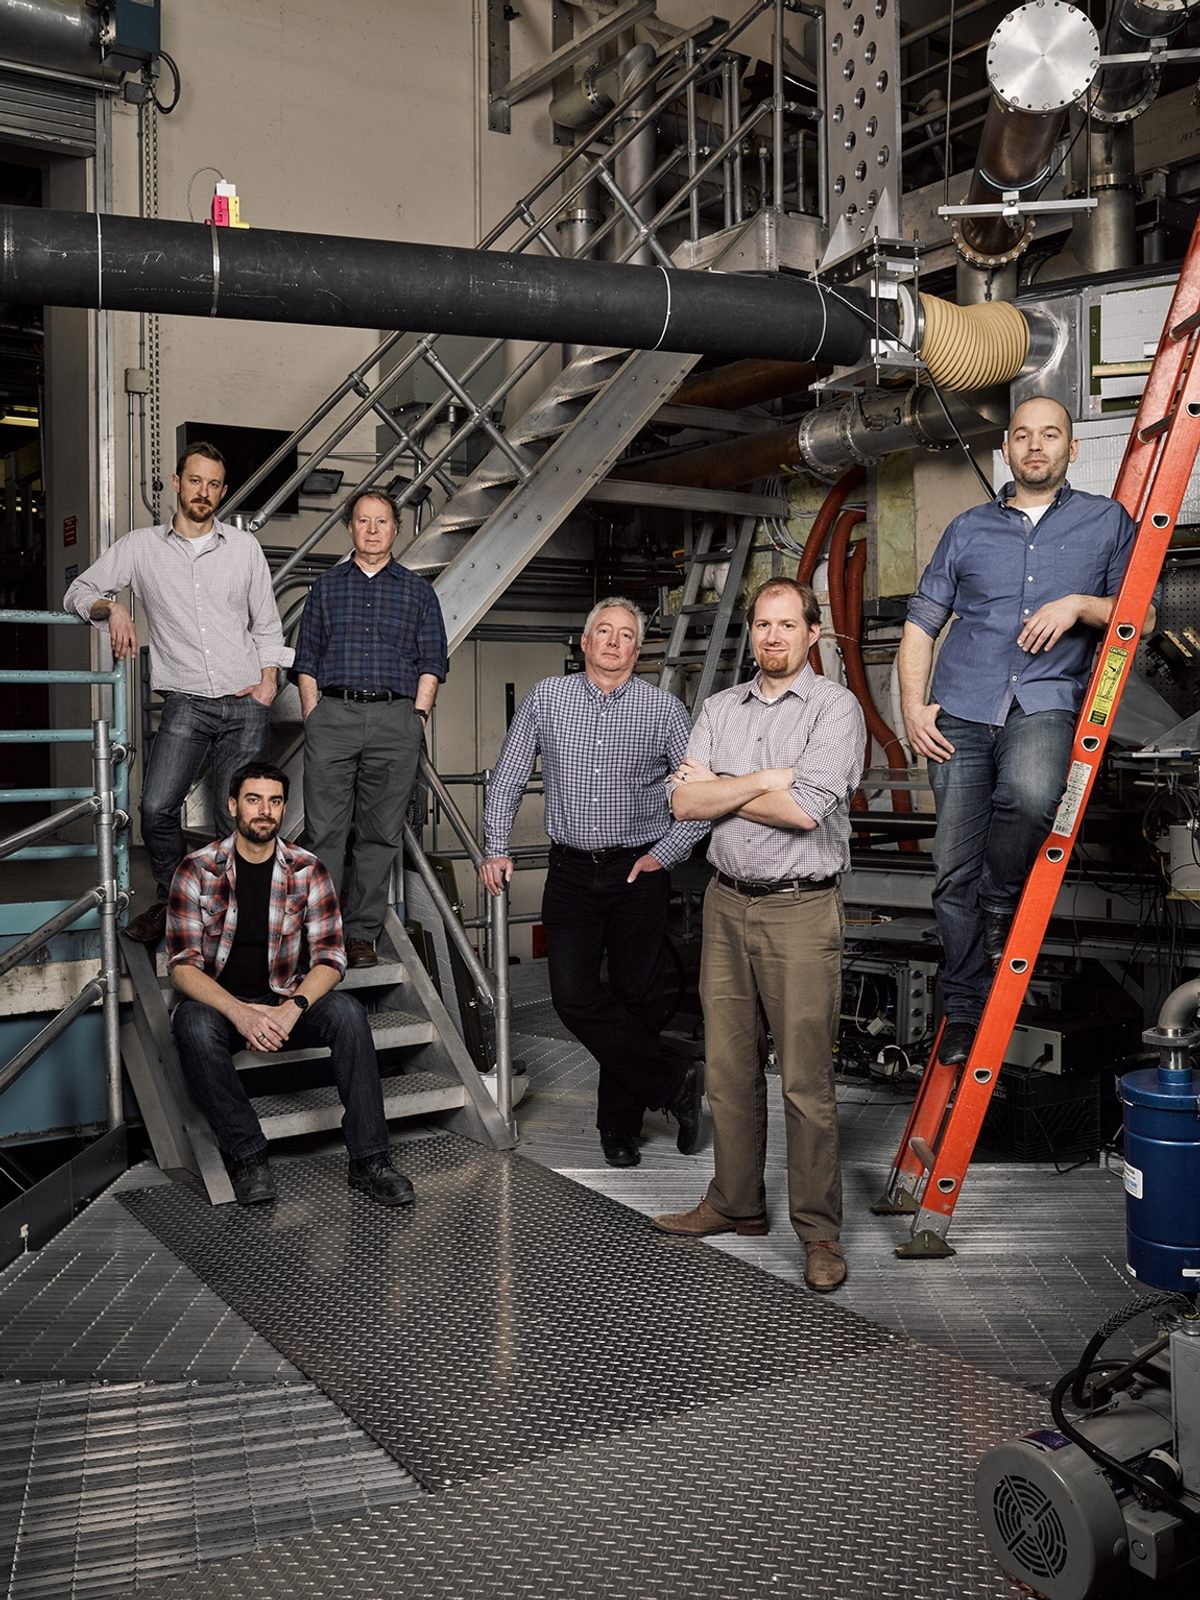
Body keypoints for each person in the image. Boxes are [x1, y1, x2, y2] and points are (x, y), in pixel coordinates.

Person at [898, 395, 1153, 1067]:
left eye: (1050, 435)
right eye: (1022, 436)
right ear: (1004, 451)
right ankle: (960, 1010)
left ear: (1070, 449)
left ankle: (998, 897)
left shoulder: (1105, 522)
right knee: (950, 872)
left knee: (1035, 793)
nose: (1035, 445)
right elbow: (922, 623)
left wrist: (1077, 605)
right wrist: (911, 707)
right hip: (959, 709)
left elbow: (1143, 616)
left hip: (1044, 699)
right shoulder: (967, 530)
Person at [654, 578, 865, 1294]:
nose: (773, 637)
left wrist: (728, 784)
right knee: (728, 1068)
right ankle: (735, 1203)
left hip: (801, 910)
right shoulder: (718, 707)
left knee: (806, 1081)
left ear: (812, 633)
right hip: (725, 904)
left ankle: (819, 1231)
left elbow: (807, 811)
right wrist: (766, 779)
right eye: (762, 625)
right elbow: (684, 802)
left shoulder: (837, 709)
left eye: (787, 624)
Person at [479, 597, 709, 1169]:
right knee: (574, 997)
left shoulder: (665, 711)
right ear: (584, 643)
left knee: (636, 1002)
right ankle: (675, 1080)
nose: (612, 641)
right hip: (573, 871)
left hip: (639, 871)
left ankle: (619, 1128)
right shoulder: (547, 698)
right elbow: (507, 775)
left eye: (625, 634)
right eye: (602, 631)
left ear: (638, 648)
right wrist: (496, 847)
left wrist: (666, 854)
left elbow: (703, 798)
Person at [64, 442, 292, 944]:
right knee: (156, 808)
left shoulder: (244, 548)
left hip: (244, 701)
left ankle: (233, 915)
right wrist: (112, 607)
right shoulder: (140, 547)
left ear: (223, 491)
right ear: (176, 482)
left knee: (233, 816)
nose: (203, 493)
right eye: (195, 481)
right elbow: (77, 591)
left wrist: (268, 683)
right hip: (186, 702)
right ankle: (174, 901)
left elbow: (267, 625)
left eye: (213, 485)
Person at [168, 760, 414, 1208]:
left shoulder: (307, 869)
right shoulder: (197, 868)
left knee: (348, 1015)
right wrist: (240, 1013)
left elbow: (331, 958)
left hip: (285, 997)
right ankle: (248, 1157)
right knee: (193, 1025)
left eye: (275, 801)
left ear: (283, 809)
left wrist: (291, 1008)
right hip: (223, 1004)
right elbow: (183, 967)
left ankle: (370, 1160)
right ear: (232, 805)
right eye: (254, 799)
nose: (265, 811)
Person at [293, 490, 448, 969]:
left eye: (382, 521)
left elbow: (432, 661)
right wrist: (313, 713)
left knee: (380, 834)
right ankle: (322, 935)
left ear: (395, 529)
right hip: (333, 716)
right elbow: (307, 659)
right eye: (364, 520)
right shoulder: (325, 587)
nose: (373, 529)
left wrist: (417, 717)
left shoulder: (418, 591)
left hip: (394, 719)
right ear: (350, 528)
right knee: (325, 831)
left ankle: (361, 935)